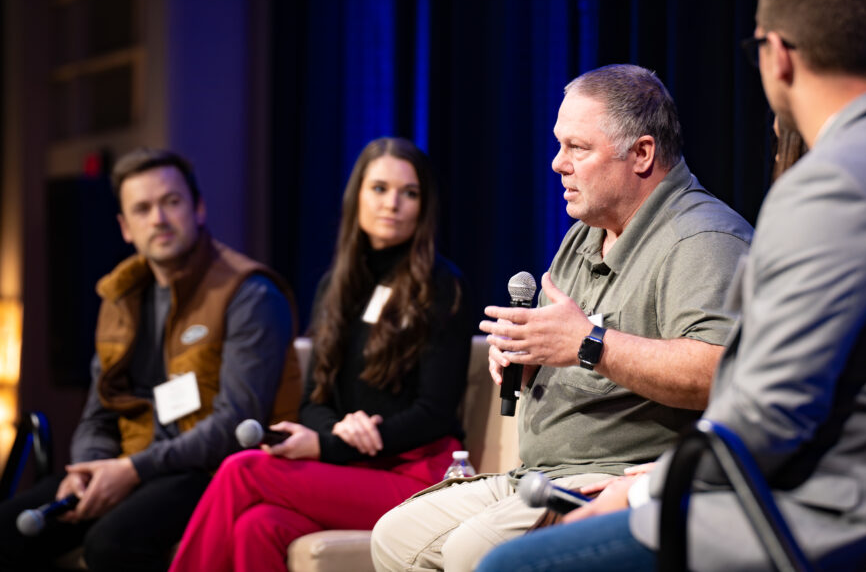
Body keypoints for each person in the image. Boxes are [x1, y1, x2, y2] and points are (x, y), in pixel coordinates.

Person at [476, 0, 866, 572]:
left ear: (777, 56)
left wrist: (644, 488)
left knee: (510, 565)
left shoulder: (829, 185)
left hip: (838, 527)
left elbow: (766, 415)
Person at [371, 64, 754, 572]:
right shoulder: (585, 231)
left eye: (578, 148)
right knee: (394, 537)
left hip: (620, 479)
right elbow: (567, 340)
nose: (557, 164)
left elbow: (720, 373)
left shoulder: (703, 239)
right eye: (559, 145)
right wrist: (529, 355)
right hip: (542, 470)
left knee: (474, 552)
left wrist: (589, 343)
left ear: (641, 154)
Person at [167, 137, 474, 572]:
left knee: (244, 470)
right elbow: (314, 398)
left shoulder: (442, 286)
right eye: (380, 189)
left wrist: (329, 444)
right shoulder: (336, 286)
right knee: (258, 524)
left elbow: (435, 412)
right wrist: (335, 429)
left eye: (410, 193)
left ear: (424, 207)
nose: (394, 204)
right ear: (358, 197)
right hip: (356, 469)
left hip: (418, 478)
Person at [0, 148, 301, 571]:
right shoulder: (121, 296)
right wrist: (89, 469)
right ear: (125, 227)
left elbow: (236, 424)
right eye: (142, 209)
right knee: (7, 528)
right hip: (136, 463)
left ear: (198, 208)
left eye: (171, 202)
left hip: (214, 469)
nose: (158, 218)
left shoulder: (249, 294)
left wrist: (131, 470)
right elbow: (98, 412)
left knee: (112, 543)